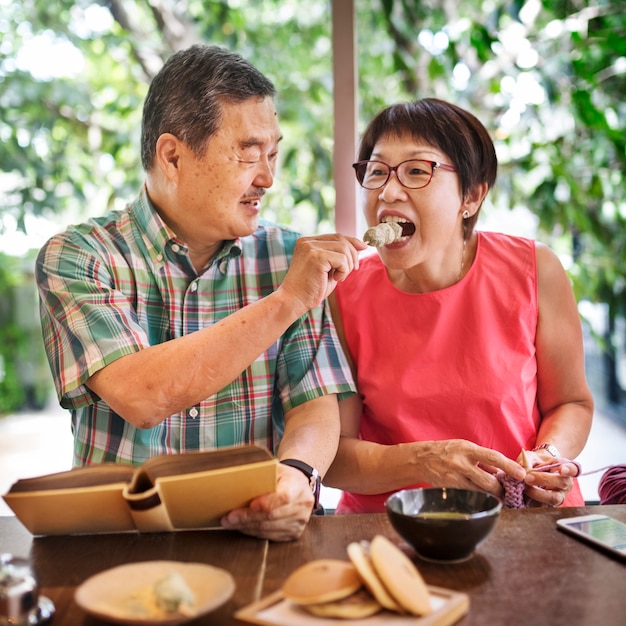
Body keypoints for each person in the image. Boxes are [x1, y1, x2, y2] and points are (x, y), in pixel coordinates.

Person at [35, 44, 366, 541]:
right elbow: (141, 395)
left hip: (256, 543)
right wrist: (286, 301)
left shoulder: (287, 257)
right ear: (172, 155)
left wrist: (298, 477)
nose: (268, 178)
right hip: (116, 552)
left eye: (273, 154)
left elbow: (313, 402)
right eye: (249, 154)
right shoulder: (79, 257)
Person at [324, 98, 594, 513]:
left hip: (524, 520)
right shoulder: (343, 292)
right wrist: (424, 461)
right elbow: (334, 457)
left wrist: (548, 454)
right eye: (376, 172)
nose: (387, 191)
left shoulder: (535, 269)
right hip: (388, 528)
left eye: (417, 170)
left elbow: (570, 403)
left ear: (471, 194)